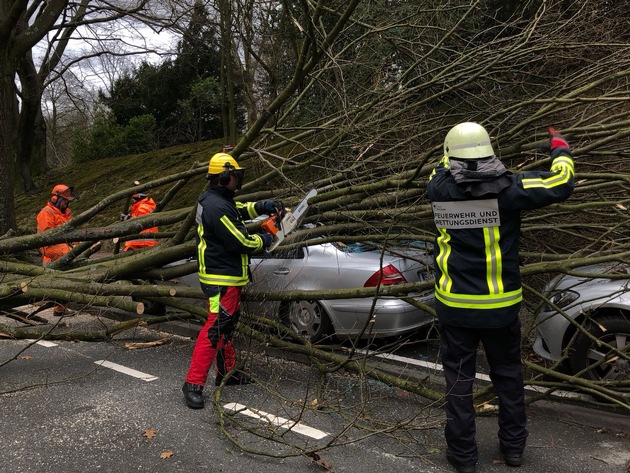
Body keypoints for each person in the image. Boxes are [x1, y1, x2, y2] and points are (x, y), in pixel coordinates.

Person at [427, 123, 575, 473]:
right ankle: (513, 450)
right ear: (489, 153)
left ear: (451, 157)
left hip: (455, 305)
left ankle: (463, 457)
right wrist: (560, 149)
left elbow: (441, 164)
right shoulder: (510, 189)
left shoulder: (438, 187)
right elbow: (560, 182)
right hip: (500, 306)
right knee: (508, 375)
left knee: (459, 382)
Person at [182, 152, 283, 409]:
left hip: (226, 277)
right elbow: (239, 241)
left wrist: (261, 207)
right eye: (234, 174)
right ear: (225, 176)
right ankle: (193, 384)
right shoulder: (216, 206)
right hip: (221, 279)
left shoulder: (217, 200)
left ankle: (228, 372)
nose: (237, 179)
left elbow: (237, 210)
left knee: (226, 326)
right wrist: (266, 239)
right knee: (215, 328)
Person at [36, 184, 76, 317]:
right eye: (65, 200)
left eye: (67, 200)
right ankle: (58, 308)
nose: (66, 203)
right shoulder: (46, 212)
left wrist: (79, 246)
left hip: (64, 246)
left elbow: (75, 232)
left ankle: (61, 306)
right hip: (51, 248)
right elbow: (48, 235)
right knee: (67, 255)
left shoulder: (67, 212)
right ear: (55, 198)